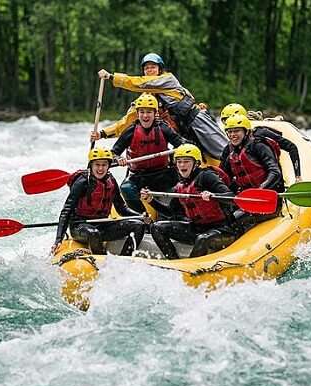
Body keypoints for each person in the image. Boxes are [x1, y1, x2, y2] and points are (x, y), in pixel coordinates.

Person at [91, 52, 228, 160]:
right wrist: (103, 133)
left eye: (153, 67)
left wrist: (112, 77)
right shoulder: (146, 99)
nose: (149, 70)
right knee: (190, 158)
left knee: (222, 150)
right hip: (181, 132)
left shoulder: (167, 79)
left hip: (196, 120)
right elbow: (128, 121)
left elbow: (139, 83)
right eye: (146, 68)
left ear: (160, 70)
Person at [141, 144, 239, 259]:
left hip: (222, 229)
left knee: (202, 239)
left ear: (196, 163)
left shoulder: (207, 176)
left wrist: (214, 195)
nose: (182, 165)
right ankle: (174, 262)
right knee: (157, 227)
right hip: (197, 228)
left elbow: (232, 198)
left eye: (186, 161)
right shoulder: (180, 186)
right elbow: (170, 213)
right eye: (179, 161)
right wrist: (151, 201)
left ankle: (191, 270)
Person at [52, 147, 147, 256]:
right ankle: (101, 260)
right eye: (97, 165)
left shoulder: (111, 181)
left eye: (104, 165)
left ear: (108, 166)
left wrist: (141, 216)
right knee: (93, 233)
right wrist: (58, 239)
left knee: (138, 225)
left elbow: (121, 208)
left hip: (103, 224)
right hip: (80, 226)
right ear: (91, 165)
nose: (100, 168)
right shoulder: (82, 182)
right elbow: (66, 211)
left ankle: (125, 257)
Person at [111, 93, 187, 213]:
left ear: (155, 113)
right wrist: (117, 159)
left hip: (163, 174)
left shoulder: (163, 128)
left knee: (181, 185)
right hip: (139, 176)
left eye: (149, 112)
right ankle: (142, 216)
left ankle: (170, 214)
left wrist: (180, 152)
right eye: (142, 112)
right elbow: (113, 153)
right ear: (138, 113)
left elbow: (182, 145)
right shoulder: (130, 131)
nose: (145, 116)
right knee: (126, 188)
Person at [220, 113, 285, 229]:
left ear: (246, 132)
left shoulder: (259, 146)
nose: (232, 135)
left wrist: (260, 189)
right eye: (229, 132)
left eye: (236, 131)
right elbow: (224, 178)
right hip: (247, 200)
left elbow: (275, 172)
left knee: (233, 220)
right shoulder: (229, 151)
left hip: (268, 200)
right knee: (223, 217)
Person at [220, 103, 302, 182]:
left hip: (271, 182)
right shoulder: (230, 146)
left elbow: (291, 147)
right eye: (226, 121)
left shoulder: (260, 134)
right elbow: (222, 172)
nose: (230, 123)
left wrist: (298, 177)